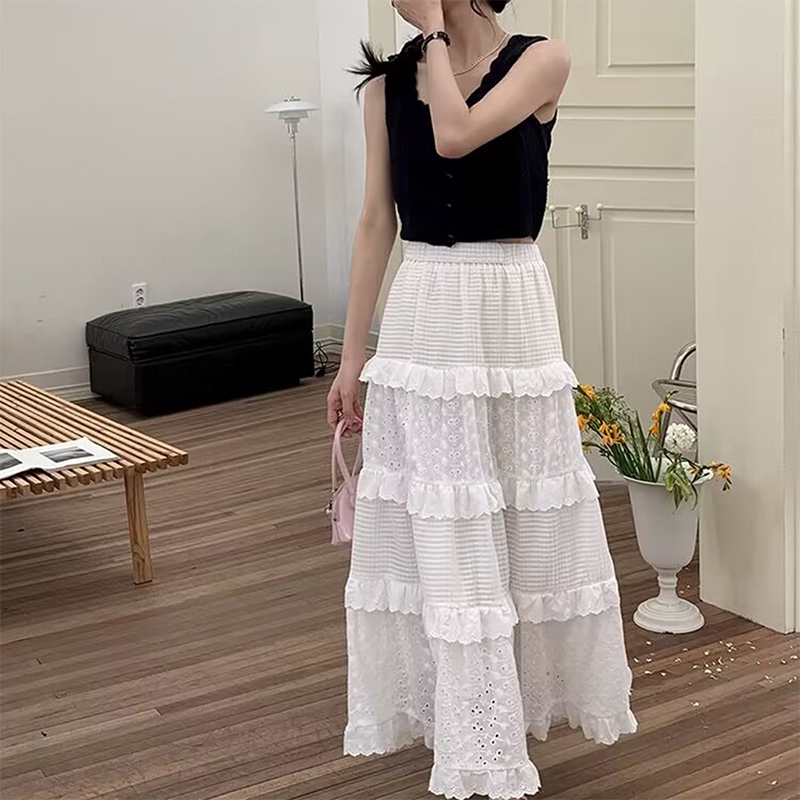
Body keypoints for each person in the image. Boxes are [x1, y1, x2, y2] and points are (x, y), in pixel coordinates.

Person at [326, 1, 638, 797]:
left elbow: (456, 134)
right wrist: (353, 356)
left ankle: (505, 714)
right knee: (445, 522)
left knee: (524, 518)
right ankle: (475, 740)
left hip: (510, 308)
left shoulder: (542, 60)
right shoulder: (384, 87)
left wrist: (434, 33)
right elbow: (375, 222)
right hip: (426, 310)